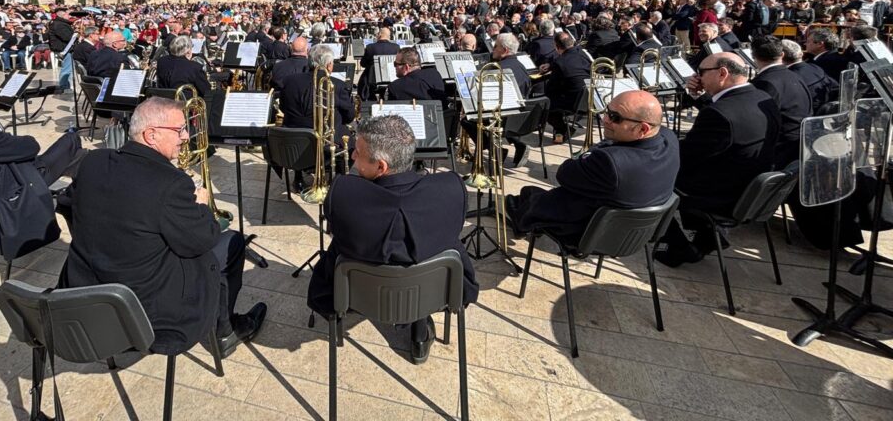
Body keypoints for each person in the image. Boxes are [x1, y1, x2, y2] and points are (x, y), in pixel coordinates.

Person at [59, 97, 266, 356]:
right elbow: (203, 239)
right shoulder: (172, 184)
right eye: (179, 129)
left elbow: (69, 204)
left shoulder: (93, 162)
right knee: (231, 243)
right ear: (151, 135)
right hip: (145, 313)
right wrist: (201, 206)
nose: (186, 135)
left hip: (84, 297)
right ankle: (225, 331)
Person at [306, 114, 478, 364]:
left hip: (353, 296)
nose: (352, 156)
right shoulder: (451, 189)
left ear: (381, 167)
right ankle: (420, 330)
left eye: (358, 153)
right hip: (439, 291)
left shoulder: (343, 194)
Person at [657, 54, 780, 267]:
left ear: (722, 73)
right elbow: (727, 122)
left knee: (647, 179)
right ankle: (707, 238)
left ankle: (680, 247)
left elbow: (685, 158)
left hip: (722, 195)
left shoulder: (720, 114)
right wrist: (700, 96)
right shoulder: (763, 98)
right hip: (751, 188)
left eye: (702, 72)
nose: (697, 77)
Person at [506, 90, 679, 241]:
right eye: (607, 112)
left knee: (531, 198)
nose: (605, 120)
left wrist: (604, 145)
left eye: (615, 118)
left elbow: (564, 174)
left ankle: (522, 221)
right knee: (532, 195)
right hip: (636, 231)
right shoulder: (669, 138)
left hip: (594, 234)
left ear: (643, 129)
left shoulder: (609, 162)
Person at [750, 37, 811, 169]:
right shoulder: (794, 75)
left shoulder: (764, 82)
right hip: (798, 143)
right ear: (782, 54)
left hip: (780, 151)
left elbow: (757, 123)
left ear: (753, 56)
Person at [781, 38, 836, 114]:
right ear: (801, 54)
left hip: (807, 116)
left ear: (781, 56)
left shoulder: (788, 78)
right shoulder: (815, 67)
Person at [48, 7, 75, 93]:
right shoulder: (59, 24)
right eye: (67, 14)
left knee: (69, 68)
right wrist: (75, 34)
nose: (69, 16)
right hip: (63, 49)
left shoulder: (61, 23)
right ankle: (64, 87)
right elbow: (67, 37)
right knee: (66, 68)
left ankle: (66, 86)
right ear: (63, 15)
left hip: (65, 48)